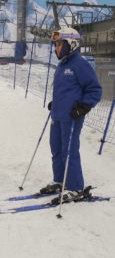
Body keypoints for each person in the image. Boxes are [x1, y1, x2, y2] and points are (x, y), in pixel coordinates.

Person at [40, 27, 102, 202]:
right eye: (55, 44)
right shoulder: (62, 65)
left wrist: (83, 107)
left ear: (71, 43)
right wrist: (56, 103)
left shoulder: (80, 64)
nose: (55, 48)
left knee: (69, 151)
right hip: (57, 115)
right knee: (56, 149)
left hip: (72, 117)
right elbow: (65, 90)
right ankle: (60, 180)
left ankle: (75, 188)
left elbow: (94, 89)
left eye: (59, 44)